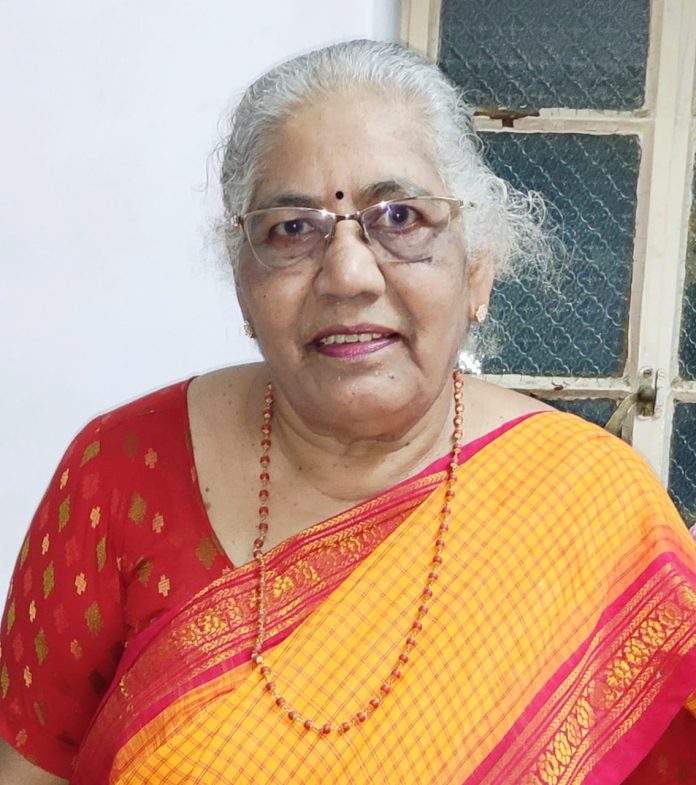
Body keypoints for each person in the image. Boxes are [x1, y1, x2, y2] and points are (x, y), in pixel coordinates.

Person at [1, 39, 695, 785]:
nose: (348, 274)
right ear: (243, 285)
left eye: (400, 217)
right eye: (292, 229)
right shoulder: (118, 473)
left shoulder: (591, 503)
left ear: (478, 270)